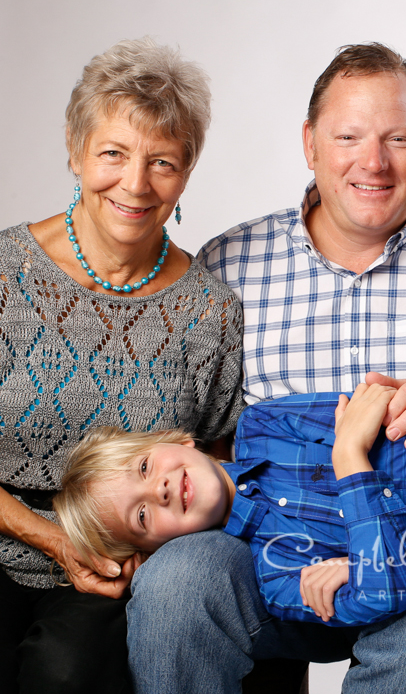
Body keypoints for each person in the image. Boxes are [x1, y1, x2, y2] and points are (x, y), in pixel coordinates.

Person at [127, 43, 406, 694]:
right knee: (178, 582)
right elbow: (198, 431)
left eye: (398, 139)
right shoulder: (230, 264)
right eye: (348, 136)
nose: (373, 162)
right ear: (310, 144)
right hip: (269, 551)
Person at [0, 38, 244, 694]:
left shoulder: (212, 310)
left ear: (186, 173)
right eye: (113, 153)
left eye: (162, 162)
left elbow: (220, 456)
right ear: (77, 151)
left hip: (116, 570)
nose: (135, 184)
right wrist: (51, 539)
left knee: (68, 675)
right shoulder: (6, 274)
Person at [54, 385, 406, 627]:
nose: (160, 490)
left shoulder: (267, 423)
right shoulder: (276, 578)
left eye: (145, 468)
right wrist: (383, 546)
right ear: (153, 551)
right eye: (142, 515)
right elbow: (391, 593)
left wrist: (353, 467)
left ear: (178, 441)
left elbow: (394, 424)